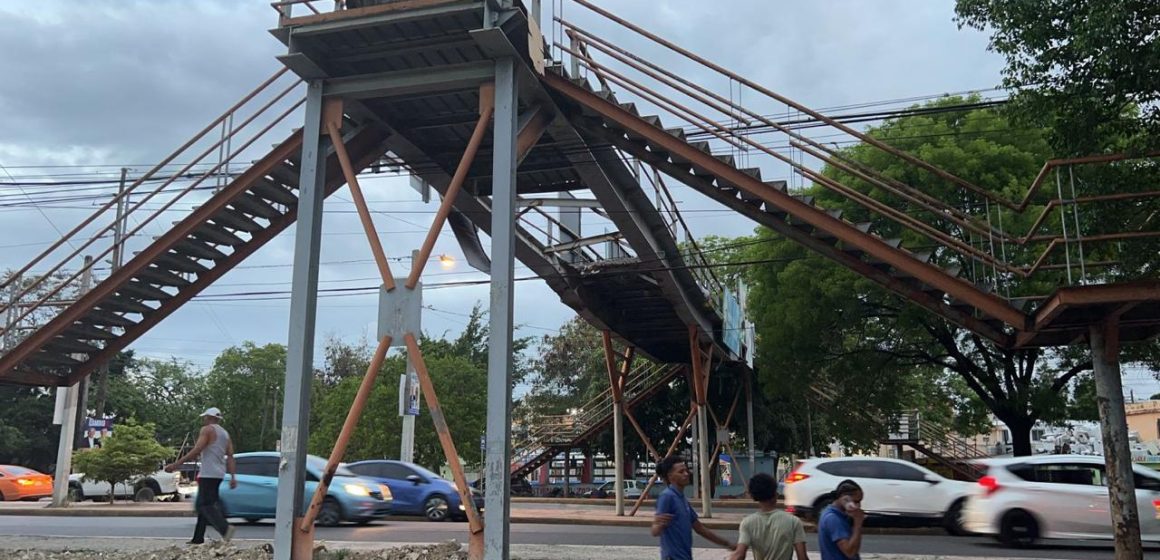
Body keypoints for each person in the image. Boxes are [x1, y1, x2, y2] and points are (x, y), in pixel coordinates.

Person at [165, 407, 236, 545]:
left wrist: (176, 464)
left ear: (210, 418)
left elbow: (197, 449)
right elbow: (231, 456)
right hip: (219, 473)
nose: (204, 420)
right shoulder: (225, 434)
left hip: (208, 473)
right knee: (206, 504)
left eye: (205, 417)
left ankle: (225, 528)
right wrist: (233, 476)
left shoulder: (207, 430)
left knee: (203, 504)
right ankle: (198, 538)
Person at [651, 456, 735, 560]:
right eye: (681, 472)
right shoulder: (667, 497)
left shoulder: (682, 499)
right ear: (670, 476)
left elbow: (700, 528)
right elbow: (655, 531)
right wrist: (657, 523)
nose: (686, 474)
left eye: (686, 470)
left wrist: (727, 544)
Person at [730, 473, 807, 560]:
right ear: (775, 494)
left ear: (754, 496)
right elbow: (802, 557)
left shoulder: (747, 523)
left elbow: (739, 555)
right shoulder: (793, 521)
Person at [818, 479, 865, 560]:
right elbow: (850, 552)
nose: (858, 506)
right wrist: (858, 523)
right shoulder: (833, 519)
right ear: (845, 498)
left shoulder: (835, 513)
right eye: (856, 501)